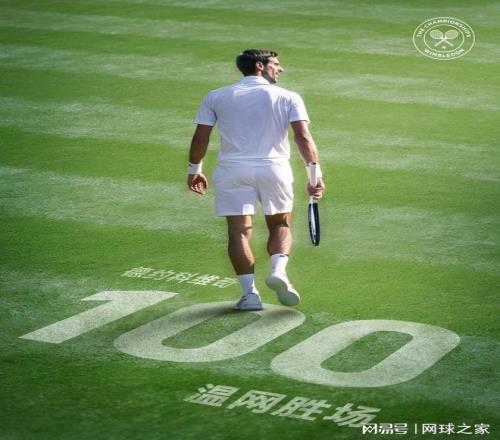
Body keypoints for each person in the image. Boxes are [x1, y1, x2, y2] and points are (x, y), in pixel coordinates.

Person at [187, 49, 325, 311]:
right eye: (275, 63)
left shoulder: (216, 96)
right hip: (274, 170)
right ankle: (278, 270)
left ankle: (250, 295)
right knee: (280, 224)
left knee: (238, 232)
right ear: (260, 66)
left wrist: (195, 169)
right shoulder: (289, 97)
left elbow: (201, 137)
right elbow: (303, 138)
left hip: (232, 171)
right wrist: (314, 176)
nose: (280, 68)